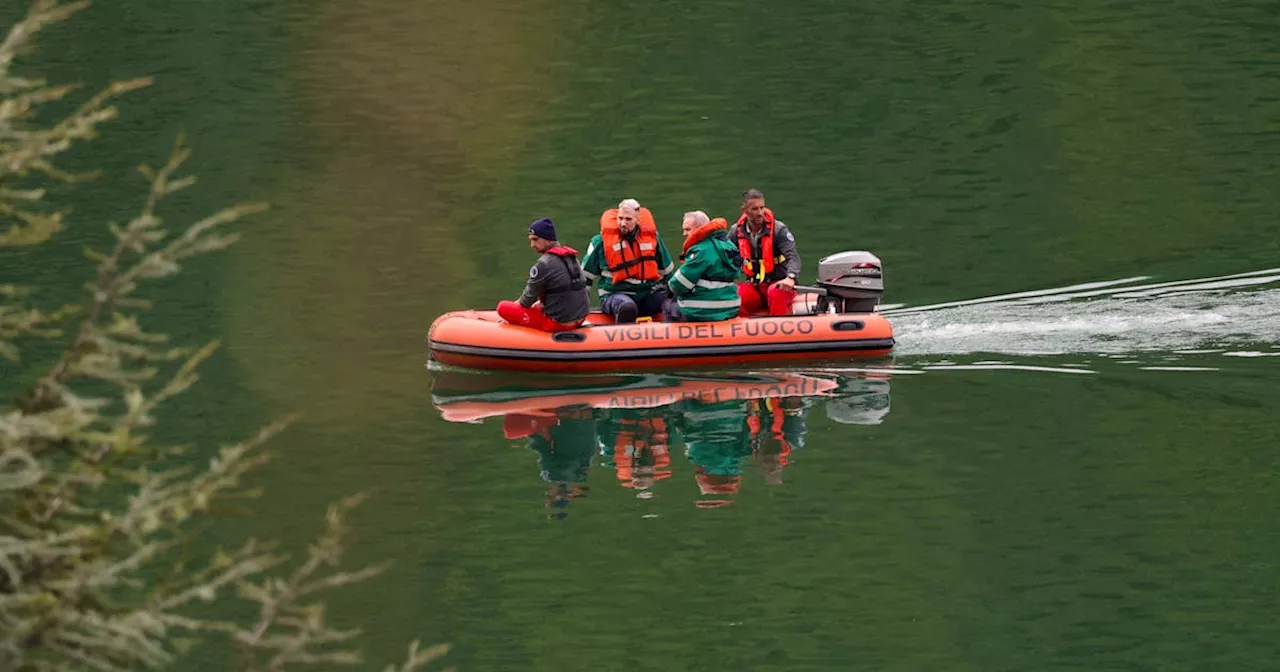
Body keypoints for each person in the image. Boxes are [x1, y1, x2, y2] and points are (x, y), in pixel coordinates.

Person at [581, 198, 676, 323]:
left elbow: (667, 273)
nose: (623, 223)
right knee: (628, 307)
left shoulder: (653, 239)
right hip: (615, 295)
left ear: (638, 220)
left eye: (628, 219)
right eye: (620, 218)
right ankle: (624, 339)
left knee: (673, 300)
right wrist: (581, 309)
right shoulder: (600, 242)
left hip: (646, 295)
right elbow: (584, 277)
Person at [496, 217, 590, 332]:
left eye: (535, 239)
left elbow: (526, 301)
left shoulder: (543, 264)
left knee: (502, 307)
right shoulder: (571, 257)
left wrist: (514, 309)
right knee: (538, 304)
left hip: (558, 324)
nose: (532, 244)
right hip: (580, 318)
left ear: (549, 240)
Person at [727, 188, 801, 316]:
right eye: (755, 209)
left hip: (780, 284)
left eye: (762, 208)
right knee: (734, 297)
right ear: (744, 211)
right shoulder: (735, 232)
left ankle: (780, 333)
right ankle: (744, 333)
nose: (760, 213)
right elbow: (725, 258)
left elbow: (792, 257)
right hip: (755, 285)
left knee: (775, 293)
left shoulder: (779, 230)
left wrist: (791, 278)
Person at [663, 211, 742, 322]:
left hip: (702, 310)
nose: (684, 234)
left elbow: (679, 284)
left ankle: (672, 336)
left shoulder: (701, 250)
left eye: (687, 229)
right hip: (731, 307)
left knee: (667, 303)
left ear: (700, 228)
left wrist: (668, 287)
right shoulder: (728, 246)